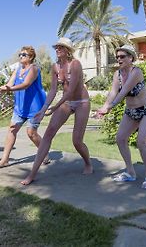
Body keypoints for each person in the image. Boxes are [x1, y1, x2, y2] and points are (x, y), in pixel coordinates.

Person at [20, 37, 93, 185]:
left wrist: (55, 107)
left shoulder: (76, 64)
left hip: (81, 102)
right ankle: (32, 174)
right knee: (47, 134)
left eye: (61, 47)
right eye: (56, 47)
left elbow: (71, 89)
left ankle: (88, 163)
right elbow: (53, 90)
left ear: (68, 50)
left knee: (77, 141)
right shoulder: (55, 67)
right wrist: (43, 109)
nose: (57, 49)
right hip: (66, 102)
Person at [97, 45, 146, 189]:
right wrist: (104, 107)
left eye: (122, 56)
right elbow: (113, 92)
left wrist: (110, 107)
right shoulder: (117, 74)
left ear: (131, 58)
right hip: (130, 112)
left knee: (141, 141)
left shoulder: (136, 72)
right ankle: (130, 172)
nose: (119, 59)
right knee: (120, 139)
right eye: (117, 57)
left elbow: (124, 91)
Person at [0, 45, 49, 169]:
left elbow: (26, 84)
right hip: (20, 107)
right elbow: (9, 84)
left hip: (35, 108)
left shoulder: (34, 69)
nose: (21, 56)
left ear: (31, 57)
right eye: (20, 55)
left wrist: (8, 89)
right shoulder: (17, 70)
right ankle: (4, 160)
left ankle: (44, 153)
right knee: (12, 130)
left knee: (31, 133)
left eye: (24, 55)